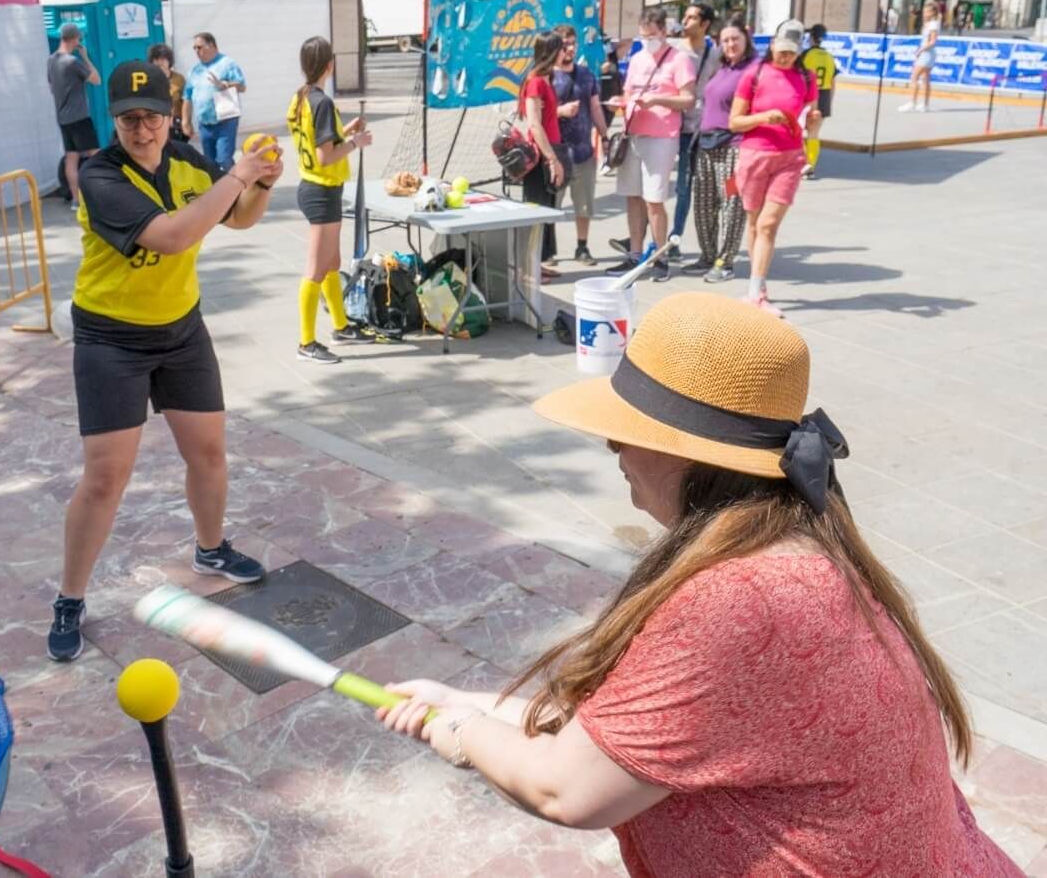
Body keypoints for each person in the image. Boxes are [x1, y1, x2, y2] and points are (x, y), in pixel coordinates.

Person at [374, 291, 1025, 878]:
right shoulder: (795, 544)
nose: (612, 449)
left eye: (626, 434)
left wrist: (459, 733)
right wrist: (462, 699)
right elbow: (612, 734)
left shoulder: (742, 598)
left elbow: (565, 790)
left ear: (689, 451)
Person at [48, 61, 284, 661]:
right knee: (106, 477)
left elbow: (241, 219)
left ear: (167, 115)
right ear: (115, 123)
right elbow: (175, 235)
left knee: (207, 452)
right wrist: (237, 174)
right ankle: (70, 598)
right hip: (110, 338)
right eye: (129, 120)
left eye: (151, 117)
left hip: (180, 329)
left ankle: (210, 548)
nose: (142, 130)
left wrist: (260, 183)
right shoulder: (100, 178)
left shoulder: (185, 160)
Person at [287, 35, 374, 365]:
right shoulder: (321, 102)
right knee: (316, 269)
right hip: (321, 190)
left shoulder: (301, 98)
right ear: (329, 65)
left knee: (332, 264)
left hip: (319, 189)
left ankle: (340, 326)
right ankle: (306, 343)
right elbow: (325, 156)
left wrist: (346, 129)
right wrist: (357, 142)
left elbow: (316, 140)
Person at [729, 19, 818, 317]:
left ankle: (756, 293)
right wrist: (765, 116)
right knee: (754, 223)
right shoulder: (754, 74)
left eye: (791, 52)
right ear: (772, 45)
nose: (786, 57)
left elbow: (811, 122)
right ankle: (758, 289)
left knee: (768, 224)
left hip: (790, 157)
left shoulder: (806, 78)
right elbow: (734, 122)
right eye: (782, 51)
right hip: (755, 154)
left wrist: (815, 123)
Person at [604, 8, 695, 283]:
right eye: (643, 36)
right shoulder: (638, 57)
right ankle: (634, 254)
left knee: (654, 199)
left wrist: (657, 101)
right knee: (633, 196)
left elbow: (687, 99)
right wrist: (621, 102)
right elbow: (630, 92)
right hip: (634, 131)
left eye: (652, 36)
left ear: (664, 32)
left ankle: (660, 257)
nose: (647, 41)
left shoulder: (680, 59)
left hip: (662, 135)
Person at [682, 18, 754, 284]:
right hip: (707, 144)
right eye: (724, 40)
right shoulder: (723, 66)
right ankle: (708, 254)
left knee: (732, 205)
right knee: (703, 204)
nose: (730, 44)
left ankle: (725, 260)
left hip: (735, 146)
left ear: (746, 38)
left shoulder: (753, 69)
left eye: (735, 38)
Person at [667, 3, 721, 263]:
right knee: (653, 187)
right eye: (685, 16)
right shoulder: (673, 51)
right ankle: (647, 241)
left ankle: (674, 239)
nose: (685, 21)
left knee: (686, 188)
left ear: (705, 24)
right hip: (668, 126)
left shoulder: (714, 54)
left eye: (692, 17)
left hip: (698, 130)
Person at [552, 24, 608, 266]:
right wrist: (560, 111)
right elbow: (534, 114)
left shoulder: (586, 74)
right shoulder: (545, 76)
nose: (571, 48)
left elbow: (595, 107)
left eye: (573, 43)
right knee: (551, 206)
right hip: (555, 153)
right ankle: (547, 252)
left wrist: (605, 136)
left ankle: (582, 247)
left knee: (584, 205)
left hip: (583, 151)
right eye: (565, 44)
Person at [520, 32, 567, 279]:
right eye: (562, 48)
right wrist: (551, 158)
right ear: (551, 52)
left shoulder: (547, 79)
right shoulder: (536, 82)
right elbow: (535, 124)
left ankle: (536, 263)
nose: (566, 53)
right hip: (540, 157)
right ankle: (527, 268)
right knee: (535, 212)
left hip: (550, 150)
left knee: (544, 211)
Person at [47, 24, 102, 208]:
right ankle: (103, 193)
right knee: (97, 156)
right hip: (79, 117)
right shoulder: (72, 62)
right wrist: (86, 57)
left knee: (72, 158)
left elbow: (51, 85)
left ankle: (76, 201)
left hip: (63, 117)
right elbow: (96, 79)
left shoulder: (52, 60)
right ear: (75, 39)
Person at [184, 33, 246, 171]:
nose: (196, 51)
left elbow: (242, 86)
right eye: (194, 48)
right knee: (210, 163)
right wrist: (186, 122)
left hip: (225, 121)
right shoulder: (195, 70)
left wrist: (225, 84)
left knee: (224, 159)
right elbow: (187, 97)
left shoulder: (227, 64)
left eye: (199, 47)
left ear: (211, 45)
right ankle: (218, 189)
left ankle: (235, 187)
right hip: (205, 124)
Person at [800, 23, 836, 179]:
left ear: (811, 37)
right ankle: (811, 166)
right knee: (814, 134)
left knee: (798, 132)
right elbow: (834, 81)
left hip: (807, 94)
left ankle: (803, 164)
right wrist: (830, 102)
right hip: (824, 95)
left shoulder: (806, 55)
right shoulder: (829, 57)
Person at [901, 1, 941, 113]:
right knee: (925, 78)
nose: (924, 13)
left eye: (927, 11)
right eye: (924, 11)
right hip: (927, 53)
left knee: (914, 77)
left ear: (933, 12)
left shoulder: (933, 24)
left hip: (927, 53)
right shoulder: (929, 23)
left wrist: (921, 49)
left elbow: (933, 41)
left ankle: (912, 102)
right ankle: (925, 104)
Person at [148, 42, 189, 145]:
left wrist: (186, 122)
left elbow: (186, 101)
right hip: (157, 124)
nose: (159, 63)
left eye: (163, 59)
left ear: (169, 61)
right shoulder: (149, 80)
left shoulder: (179, 79)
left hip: (176, 124)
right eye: (156, 60)